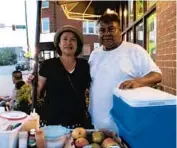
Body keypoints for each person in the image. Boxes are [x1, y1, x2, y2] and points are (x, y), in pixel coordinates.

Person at [88, 11, 162, 133]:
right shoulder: (94, 55)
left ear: (120, 30)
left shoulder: (134, 51)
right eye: (102, 30)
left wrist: (139, 81)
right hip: (98, 123)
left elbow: (157, 75)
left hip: (125, 126)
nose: (106, 34)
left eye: (111, 29)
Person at [27, 25, 92, 128]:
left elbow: (92, 89)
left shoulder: (84, 65)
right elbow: (36, 95)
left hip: (79, 122)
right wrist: (33, 85)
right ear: (59, 44)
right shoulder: (48, 65)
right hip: (53, 123)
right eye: (65, 39)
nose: (68, 43)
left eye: (73, 40)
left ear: (77, 44)